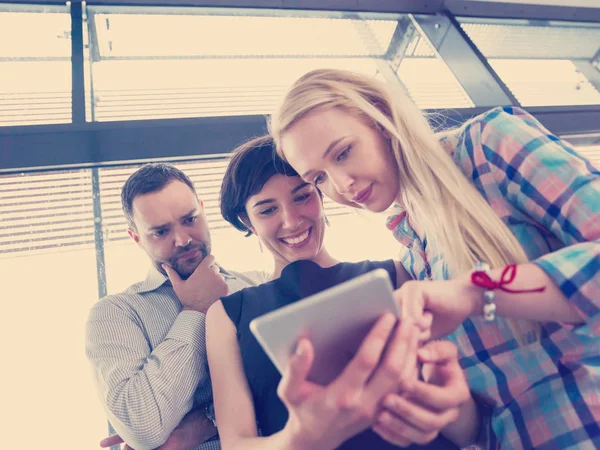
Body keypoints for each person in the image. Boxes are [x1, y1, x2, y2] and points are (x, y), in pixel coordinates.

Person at [268, 68, 600, 449]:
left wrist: (475, 293)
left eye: (343, 153)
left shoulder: (488, 145)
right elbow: (489, 425)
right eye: (319, 179)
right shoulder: (413, 260)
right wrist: (446, 409)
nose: (342, 185)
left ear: (381, 117)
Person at [206, 136, 481, 450]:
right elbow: (236, 444)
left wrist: (448, 400)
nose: (291, 220)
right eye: (267, 210)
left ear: (321, 193)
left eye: (302, 196)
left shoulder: (394, 275)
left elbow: (466, 432)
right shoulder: (228, 315)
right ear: (248, 222)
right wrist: (300, 438)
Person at [86, 163, 266, 450]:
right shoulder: (117, 314)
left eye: (190, 219)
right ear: (137, 239)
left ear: (203, 211)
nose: (183, 239)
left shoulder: (260, 285)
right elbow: (143, 427)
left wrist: (200, 423)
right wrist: (196, 310)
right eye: (160, 232)